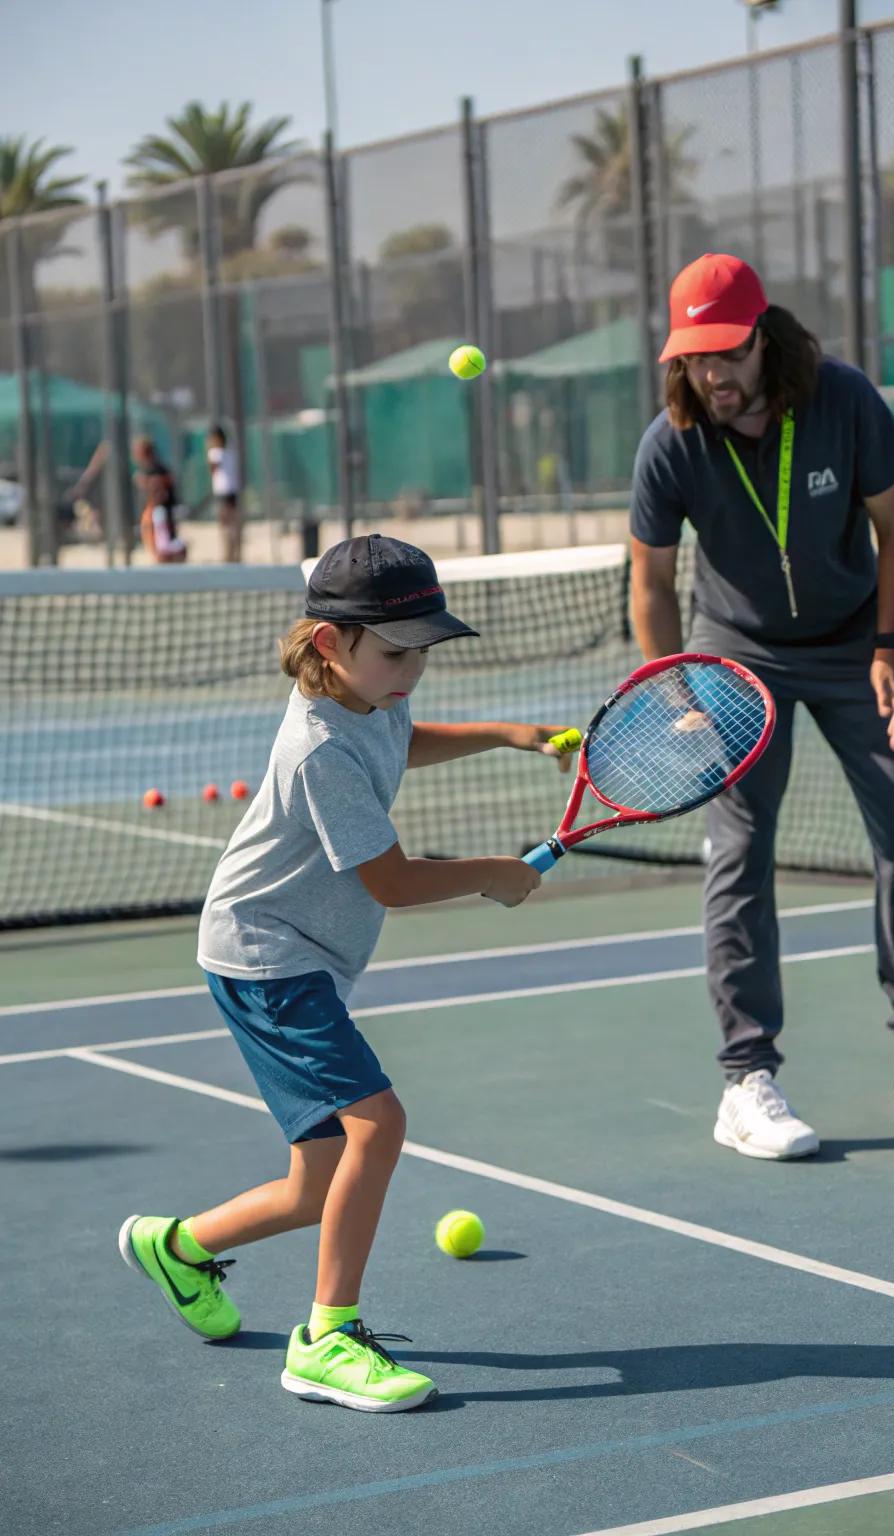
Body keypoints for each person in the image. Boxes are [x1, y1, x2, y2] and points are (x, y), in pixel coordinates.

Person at [118, 534, 572, 1412]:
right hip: (268, 960)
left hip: (297, 957)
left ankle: (176, 1248)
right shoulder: (319, 748)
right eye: (398, 653)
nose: (412, 673)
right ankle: (327, 1338)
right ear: (331, 643)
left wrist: (506, 735)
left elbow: (402, 738)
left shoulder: (367, 695)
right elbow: (393, 882)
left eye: (423, 656)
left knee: (316, 1180)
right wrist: (491, 872)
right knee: (378, 1126)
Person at [629, 252, 894, 1162]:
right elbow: (651, 582)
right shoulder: (672, 442)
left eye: (727, 353)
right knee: (741, 853)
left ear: (762, 336)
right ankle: (747, 1080)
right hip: (735, 659)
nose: (713, 375)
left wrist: (891, 644)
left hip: (860, 645)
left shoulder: (845, 399)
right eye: (694, 358)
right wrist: (677, 687)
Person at [133, 436, 187, 564]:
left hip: (162, 511)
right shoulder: (149, 469)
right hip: (158, 511)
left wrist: (147, 483)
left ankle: (175, 552)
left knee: (163, 544)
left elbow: (161, 490)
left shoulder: (156, 469)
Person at [206, 424, 242, 563]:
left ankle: (228, 555)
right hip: (232, 490)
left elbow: (212, 469)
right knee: (232, 523)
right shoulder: (230, 452)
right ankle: (235, 553)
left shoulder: (215, 453)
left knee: (225, 525)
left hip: (223, 491)